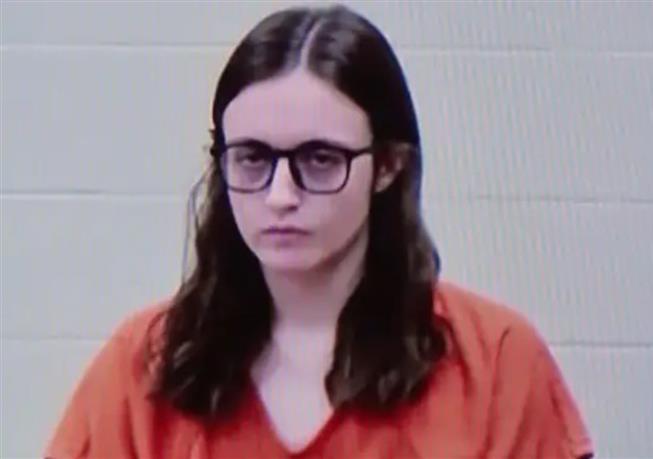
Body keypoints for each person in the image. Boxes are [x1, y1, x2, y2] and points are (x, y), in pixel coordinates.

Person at [44, 4, 595, 459]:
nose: (280, 195)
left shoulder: (496, 364)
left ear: (387, 166)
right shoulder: (147, 365)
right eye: (252, 158)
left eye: (320, 159)